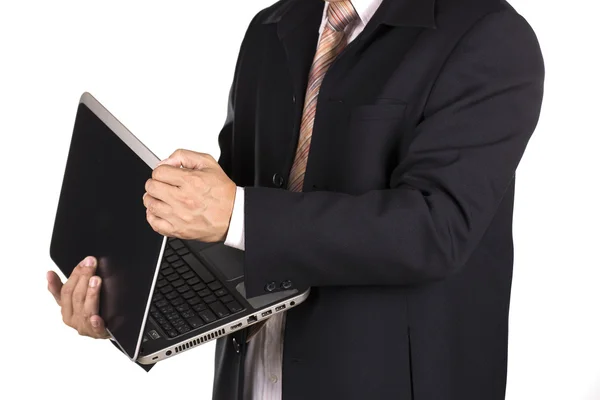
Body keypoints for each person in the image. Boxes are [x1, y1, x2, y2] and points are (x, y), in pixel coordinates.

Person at [47, 0, 545, 398]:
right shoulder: (272, 26)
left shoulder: (488, 36)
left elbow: (436, 228)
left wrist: (235, 212)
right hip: (250, 379)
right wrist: (125, 309)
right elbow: (232, 230)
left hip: (382, 382)